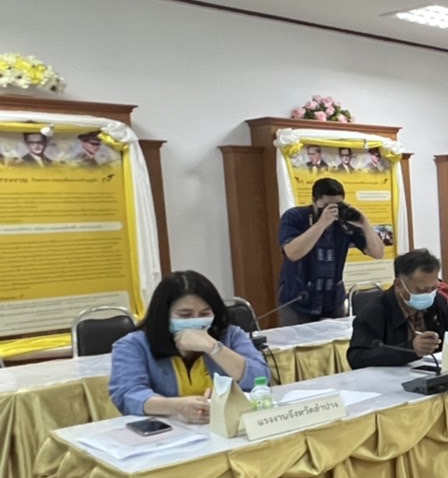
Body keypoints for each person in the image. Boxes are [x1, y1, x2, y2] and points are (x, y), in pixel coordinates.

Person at [109, 270, 268, 423]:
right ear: (164, 314)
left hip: (225, 425)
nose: (196, 320)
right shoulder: (133, 345)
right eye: (185, 315)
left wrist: (213, 347)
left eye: (204, 314)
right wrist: (177, 407)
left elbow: (261, 378)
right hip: (168, 432)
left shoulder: (230, 335)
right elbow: (127, 395)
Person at [276, 177, 385, 326]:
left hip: (333, 300)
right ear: (314, 201)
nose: (333, 211)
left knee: (338, 339)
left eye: (338, 205)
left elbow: (377, 253)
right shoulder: (295, 217)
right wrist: (322, 223)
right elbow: (293, 253)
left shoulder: (343, 222)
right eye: (327, 206)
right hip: (299, 300)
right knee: (298, 340)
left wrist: (365, 224)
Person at [347, 249, 448, 368]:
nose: (429, 295)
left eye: (434, 288)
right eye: (421, 290)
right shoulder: (374, 311)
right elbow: (356, 358)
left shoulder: (438, 301)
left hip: (432, 371)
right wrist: (411, 349)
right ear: (399, 285)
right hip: (389, 375)